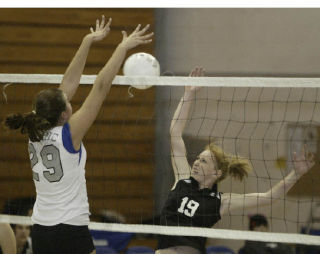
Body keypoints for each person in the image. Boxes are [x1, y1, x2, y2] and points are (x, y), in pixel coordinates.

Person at [3, 15, 153, 254]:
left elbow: (68, 83)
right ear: (64, 114)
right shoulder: (68, 135)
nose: (70, 98)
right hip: (69, 229)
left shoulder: (34, 129)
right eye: (67, 102)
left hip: (41, 228)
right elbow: (101, 86)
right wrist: (122, 47)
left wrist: (87, 41)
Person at [156, 67, 315, 254]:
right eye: (198, 159)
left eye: (204, 161)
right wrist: (188, 94)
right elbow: (175, 134)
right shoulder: (182, 179)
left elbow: (269, 197)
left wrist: (295, 173)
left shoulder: (221, 202)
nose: (197, 162)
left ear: (217, 173)